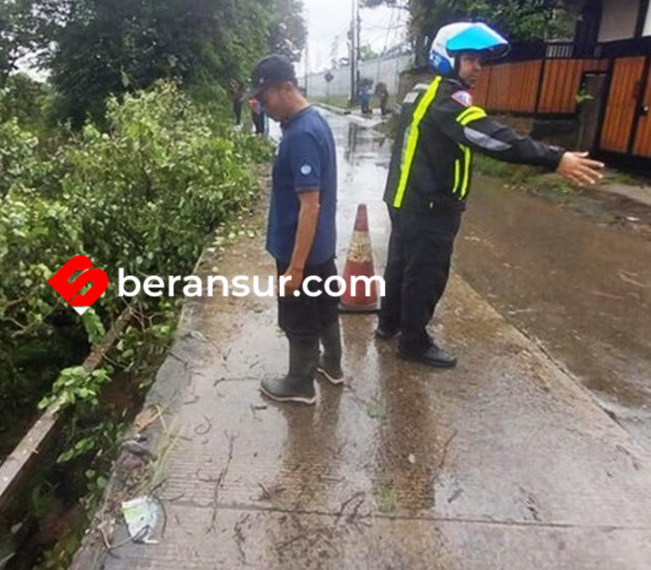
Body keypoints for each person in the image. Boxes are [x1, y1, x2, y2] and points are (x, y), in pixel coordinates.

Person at [378, 22, 604, 368]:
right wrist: (554, 158)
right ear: (446, 58)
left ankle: (389, 323)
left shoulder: (420, 91)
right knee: (425, 275)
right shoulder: (448, 101)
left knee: (400, 265)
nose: (478, 68)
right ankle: (413, 342)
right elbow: (490, 137)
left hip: (403, 198)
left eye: (480, 61)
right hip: (430, 205)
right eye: (469, 60)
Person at [249, 54, 343, 405]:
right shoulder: (313, 121)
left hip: (299, 249)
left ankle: (299, 384)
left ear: (286, 87)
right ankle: (331, 365)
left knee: (299, 316)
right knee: (325, 307)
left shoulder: (300, 135)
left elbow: (310, 205)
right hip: (321, 245)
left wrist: (295, 268)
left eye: (266, 97)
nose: (264, 106)